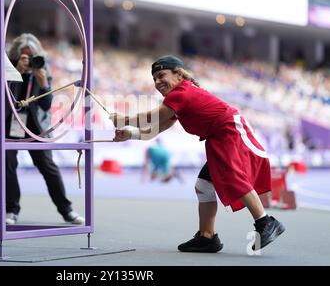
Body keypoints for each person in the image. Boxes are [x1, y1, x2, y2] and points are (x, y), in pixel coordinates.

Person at [111, 55, 285, 253]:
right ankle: (207, 237)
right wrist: (129, 134)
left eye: (161, 75)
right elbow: (155, 129)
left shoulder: (179, 94)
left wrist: (124, 119)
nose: (157, 82)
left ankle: (266, 223)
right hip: (218, 137)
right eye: (154, 79)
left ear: (178, 74)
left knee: (232, 176)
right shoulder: (179, 99)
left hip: (228, 132)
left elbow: (154, 117)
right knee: (203, 185)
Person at [5, 33, 84, 225]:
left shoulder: (43, 67)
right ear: (16, 56)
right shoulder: (8, 67)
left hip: (37, 124)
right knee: (7, 166)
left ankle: (67, 210)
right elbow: (2, 97)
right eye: (24, 56)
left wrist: (43, 83)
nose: (29, 61)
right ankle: (11, 211)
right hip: (10, 122)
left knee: (48, 166)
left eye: (31, 56)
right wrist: (15, 73)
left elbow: (47, 105)